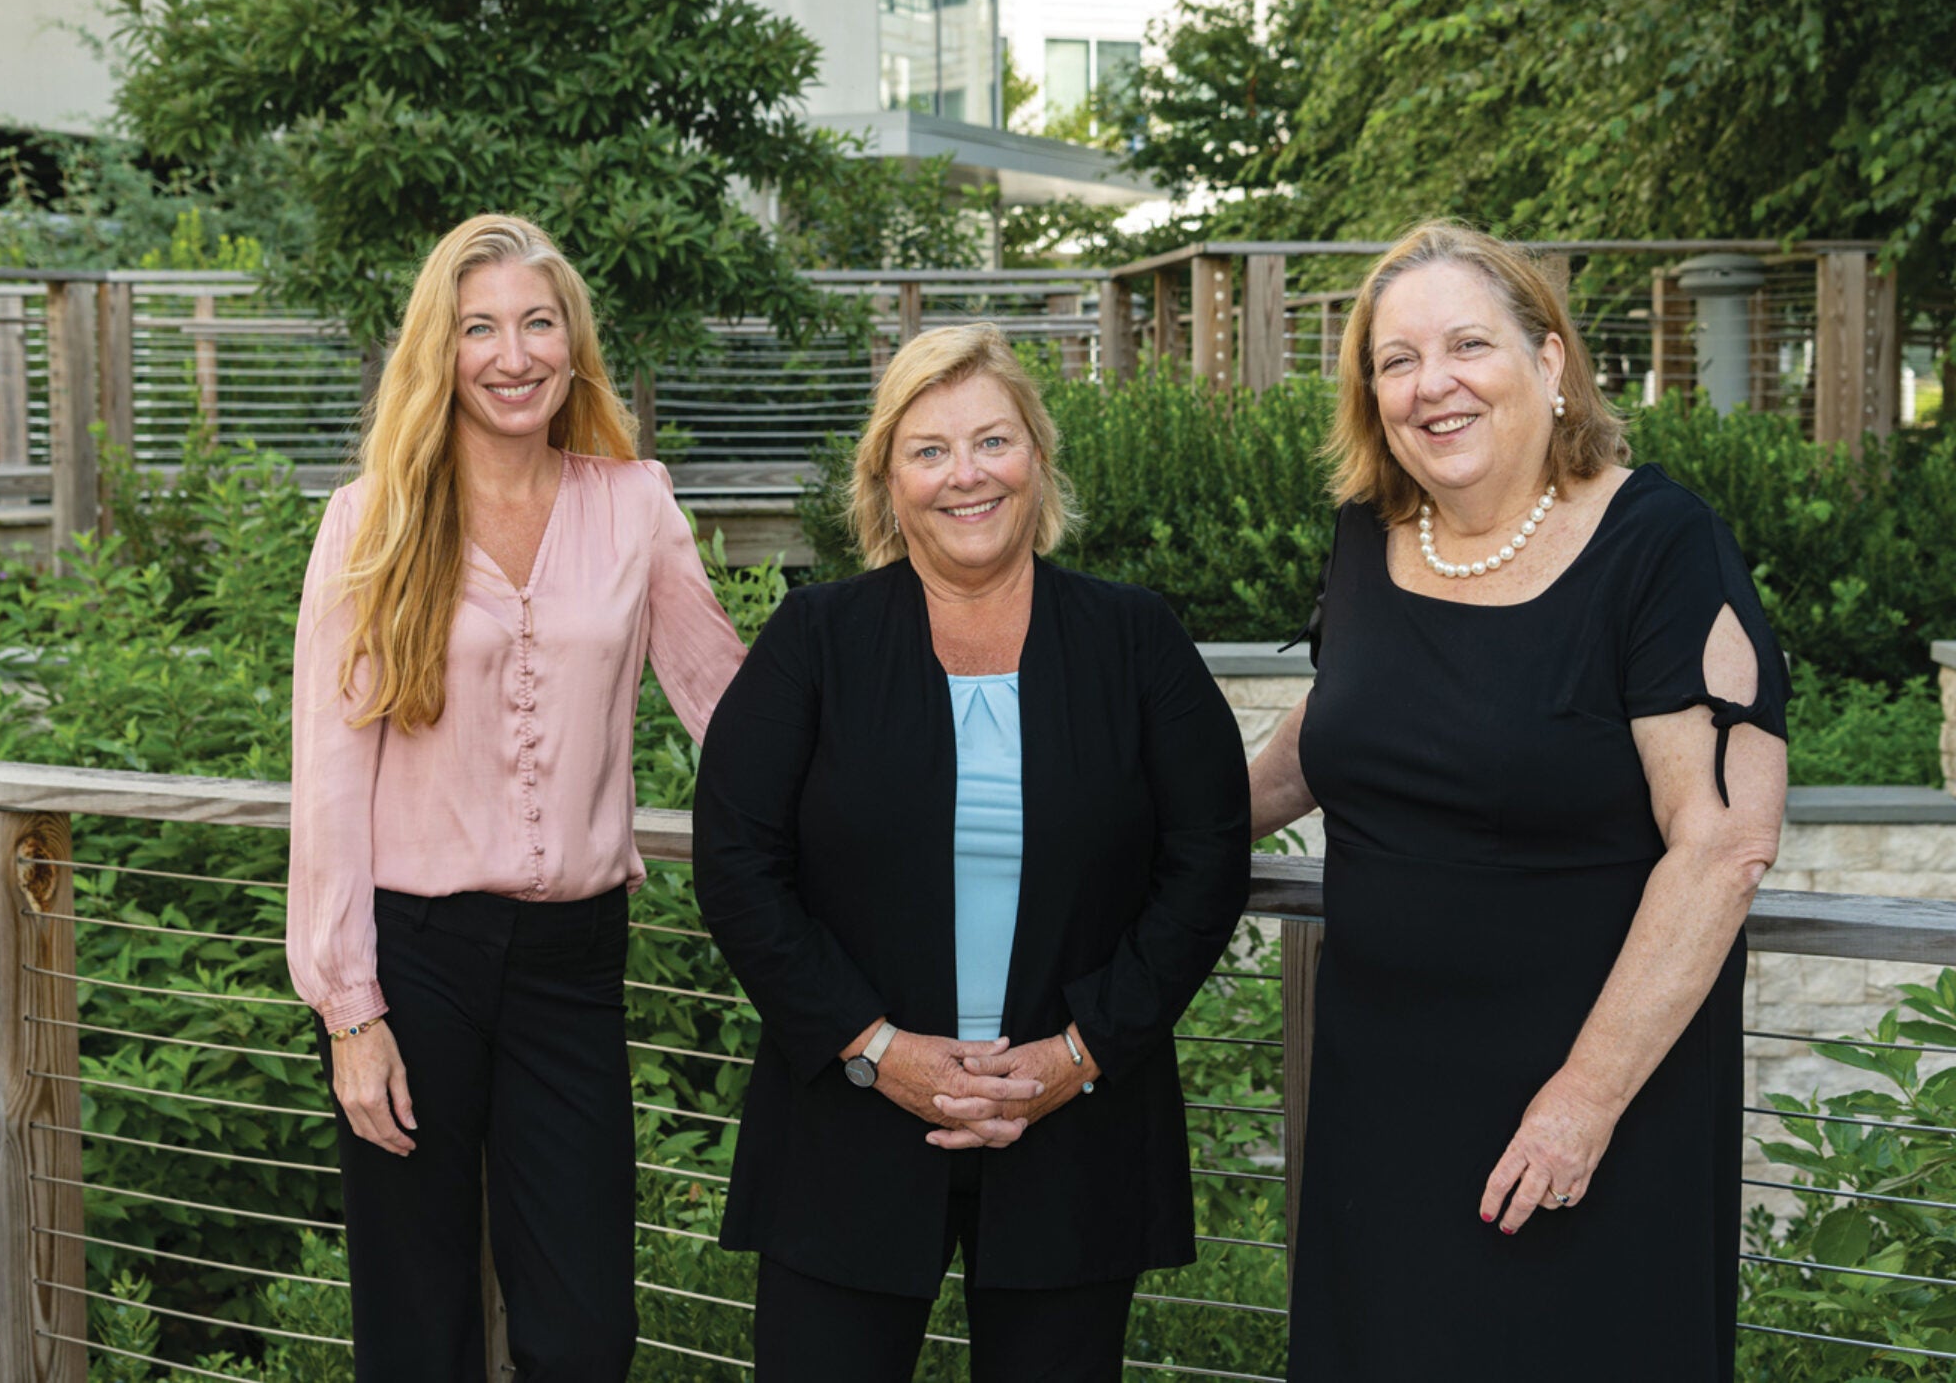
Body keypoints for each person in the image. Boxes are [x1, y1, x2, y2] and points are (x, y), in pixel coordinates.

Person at [1249, 222, 1789, 1379]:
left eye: (1464, 345)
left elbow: (1722, 845)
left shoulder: (1659, 545)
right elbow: (1325, 737)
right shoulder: (1366, 536)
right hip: (1379, 1103)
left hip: (1585, 1108)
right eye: (1394, 361)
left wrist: (1580, 1100)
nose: (1428, 384)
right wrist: (1133, 821)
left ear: (1548, 365)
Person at [692, 323, 1251, 1381]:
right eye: (928, 449)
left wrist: (1079, 1053)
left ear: (1036, 456)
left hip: (1074, 1125)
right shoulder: (814, 640)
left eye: (991, 441)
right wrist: (872, 1047)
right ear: (887, 480)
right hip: (848, 1124)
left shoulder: (1134, 642)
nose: (965, 477)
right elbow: (736, 861)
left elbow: (1205, 860)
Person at [287, 213, 745, 1380]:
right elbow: (330, 784)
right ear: (438, 351)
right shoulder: (371, 522)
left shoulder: (633, 504)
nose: (512, 353)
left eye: (537, 323)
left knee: (584, 1329)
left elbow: (727, 709)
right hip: (416, 959)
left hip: (572, 966)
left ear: (572, 343)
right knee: (415, 1322)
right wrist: (350, 1009)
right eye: (479, 327)